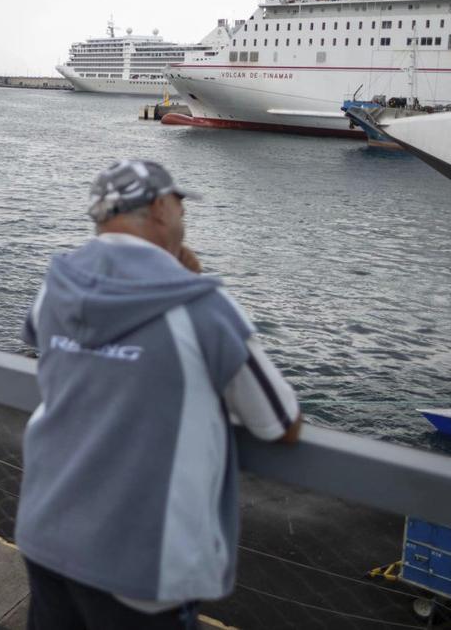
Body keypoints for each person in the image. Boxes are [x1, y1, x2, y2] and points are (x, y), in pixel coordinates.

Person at [15, 159, 302, 630]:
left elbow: (52, 341)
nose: (184, 220)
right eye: (182, 208)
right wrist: (189, 282)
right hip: (138, 565)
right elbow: (280, 420)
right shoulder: (199, 305)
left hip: (47, 533)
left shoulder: (55, 285)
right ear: (162, 208)